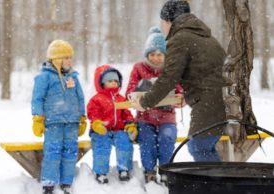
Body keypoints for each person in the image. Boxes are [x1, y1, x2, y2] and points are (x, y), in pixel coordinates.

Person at [132, 0, 227, 162]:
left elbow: (168, 78)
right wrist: (188, 94)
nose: (162, 27)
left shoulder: (180, 40)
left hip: (208, 102)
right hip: (223, 99)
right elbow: (200, 70)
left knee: (198, 145)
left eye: (162, 22)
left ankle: (217, 186)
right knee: (204, 146)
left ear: (168, 21)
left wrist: (145, 102)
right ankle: (219, 183)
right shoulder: (207, 37)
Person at [125, 26, 184, 182]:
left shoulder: (171, 69)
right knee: (147, 141)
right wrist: (139, 93)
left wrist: (181, 98)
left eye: (160, 54)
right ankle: (149, 171)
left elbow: (181, 91)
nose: (156, 58)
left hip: (167, 116)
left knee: (167, 139)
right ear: (147, 55)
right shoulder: (138, 68)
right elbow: (129, 92)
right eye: (152, 54)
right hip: (145, 117)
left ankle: (165, 171)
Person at [31, 40, 86, 194]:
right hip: (53, 122)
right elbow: (37, 98)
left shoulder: (73, 77)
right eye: (66, 57)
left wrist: (82, 117)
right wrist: (37, 118)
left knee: (70, 151)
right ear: (56, 59)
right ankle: (49, 183)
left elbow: (80, 97)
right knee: (53, 151)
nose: (70, 61)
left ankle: (66, 182)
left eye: (70, 57)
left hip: (72, 122)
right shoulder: (44, 77)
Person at [87, 64, 138, 184]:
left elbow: (126, 113)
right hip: (101, 130)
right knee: (101, 147)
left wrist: (130, 123)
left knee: (125, 143)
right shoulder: (97, 99)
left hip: (118, 130)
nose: (114, 83)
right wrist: (96, 124)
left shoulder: (120, 98)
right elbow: (92, 113)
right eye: (110, 81)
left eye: (116, 80)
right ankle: (100, 172)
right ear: (102, 83)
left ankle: (124, 169)